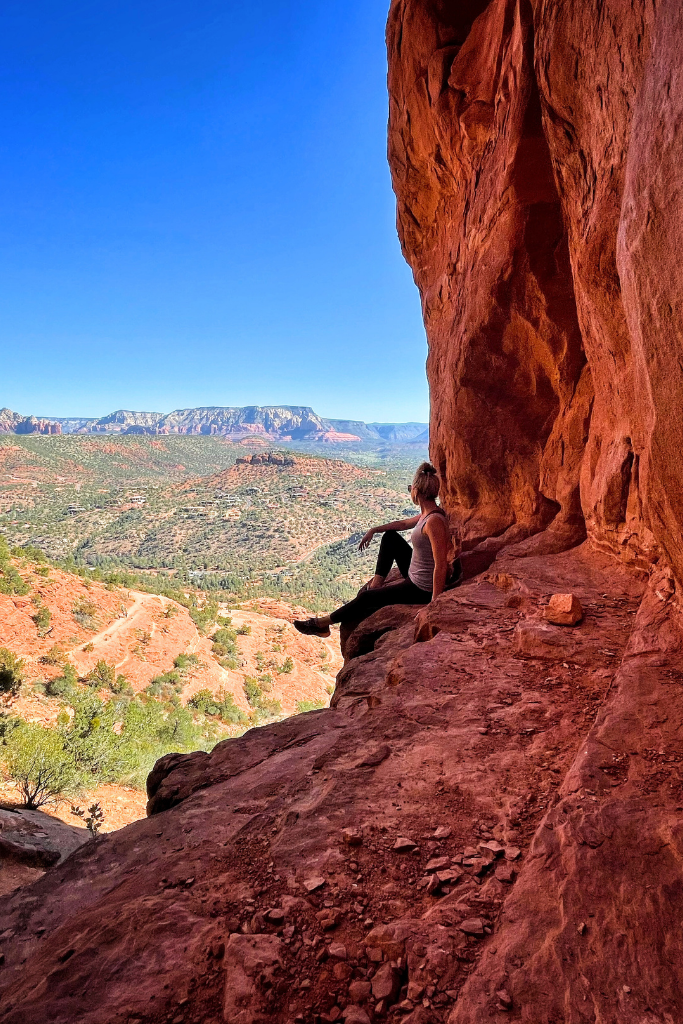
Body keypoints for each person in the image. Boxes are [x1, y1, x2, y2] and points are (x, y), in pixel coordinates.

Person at [294, 462, 457, 637]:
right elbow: (402, 524)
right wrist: (374, 530)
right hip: (415, 573)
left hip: (420, 588)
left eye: (411, 488)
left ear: (416, 491)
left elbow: (441, 564)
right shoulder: (427, 514)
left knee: (366, 599)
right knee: (390, 537)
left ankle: (321, 625)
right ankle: (377, 584)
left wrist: (433, 605)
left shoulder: (434, 522)